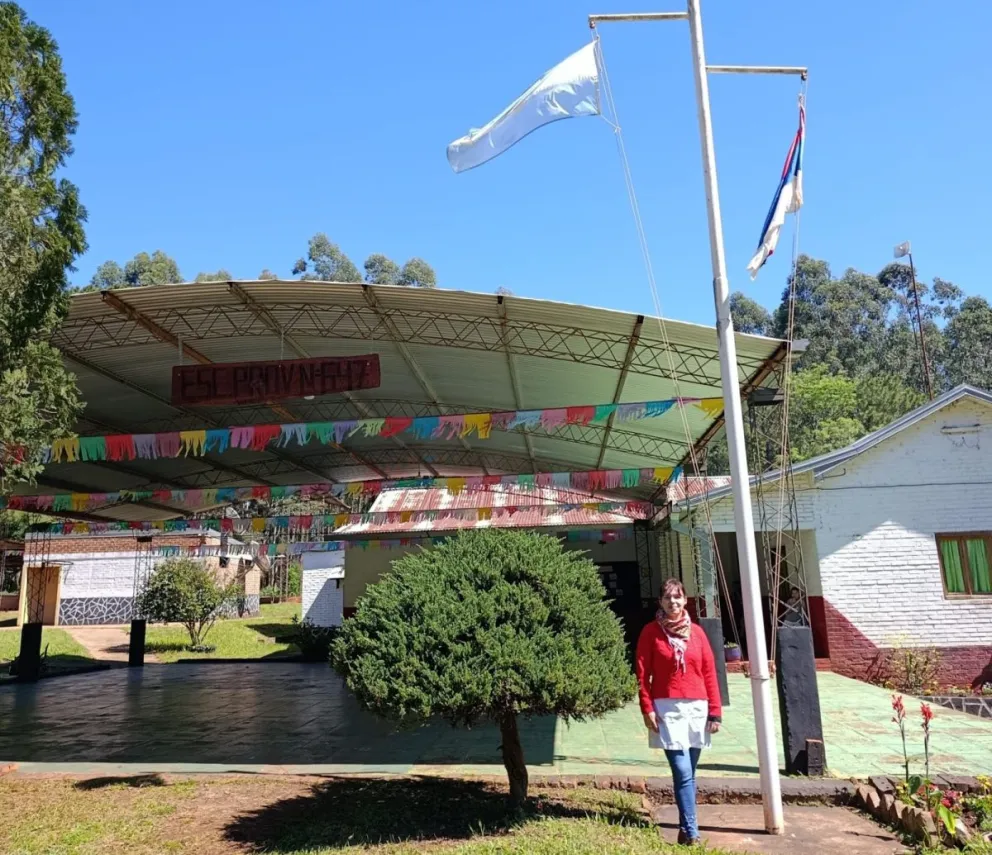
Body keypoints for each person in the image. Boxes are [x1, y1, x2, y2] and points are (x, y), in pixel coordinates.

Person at [636, 578, 722, 846]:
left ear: (685, 600)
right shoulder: (651, 632)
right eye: (667, 598)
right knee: (683, 771)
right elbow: (642, 675)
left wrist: (715, 711)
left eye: (677, 597)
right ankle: (693, 832)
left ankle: (686, 830)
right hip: (667, 708)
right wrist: (646, 707)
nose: (673, 602)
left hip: (697, 708)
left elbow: (709, 672)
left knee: (690, 774)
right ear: (660, 602)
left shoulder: (697, 632)